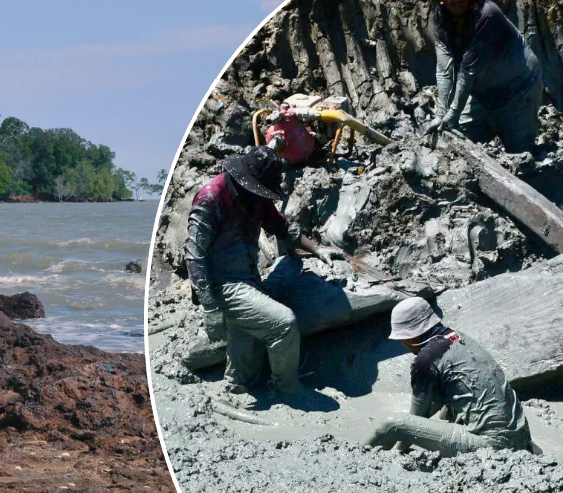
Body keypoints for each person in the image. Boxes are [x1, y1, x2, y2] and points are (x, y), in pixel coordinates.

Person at [185, 146, 343, 397]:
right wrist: (210, 308)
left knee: (245, 364)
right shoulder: (211, 198)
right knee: (283, 323)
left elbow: (284, 228)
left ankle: (237, 383)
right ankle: (287, 388)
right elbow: (194, 256)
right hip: (222, 284)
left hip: (248, 278)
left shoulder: (256, 198)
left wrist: (316, 249)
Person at [366, 297, 531, 456]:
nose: (403, 344)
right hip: (522, 436)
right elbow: (437, 401)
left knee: (392, 424)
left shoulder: (426, 359)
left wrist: (398, 452)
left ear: (412, 336)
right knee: (446, 413)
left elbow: (416, 418)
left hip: (493, 445)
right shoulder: (458, 337)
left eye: (402, 339)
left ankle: (363, 457)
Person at [424, 0, 543, 153]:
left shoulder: (487, 14)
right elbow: (444, 70)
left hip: (519, 90)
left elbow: (468, 71)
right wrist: (441, 114)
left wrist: (453, 114)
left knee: (521, 155)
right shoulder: (440, 19)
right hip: (483, 98)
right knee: (451, 137)